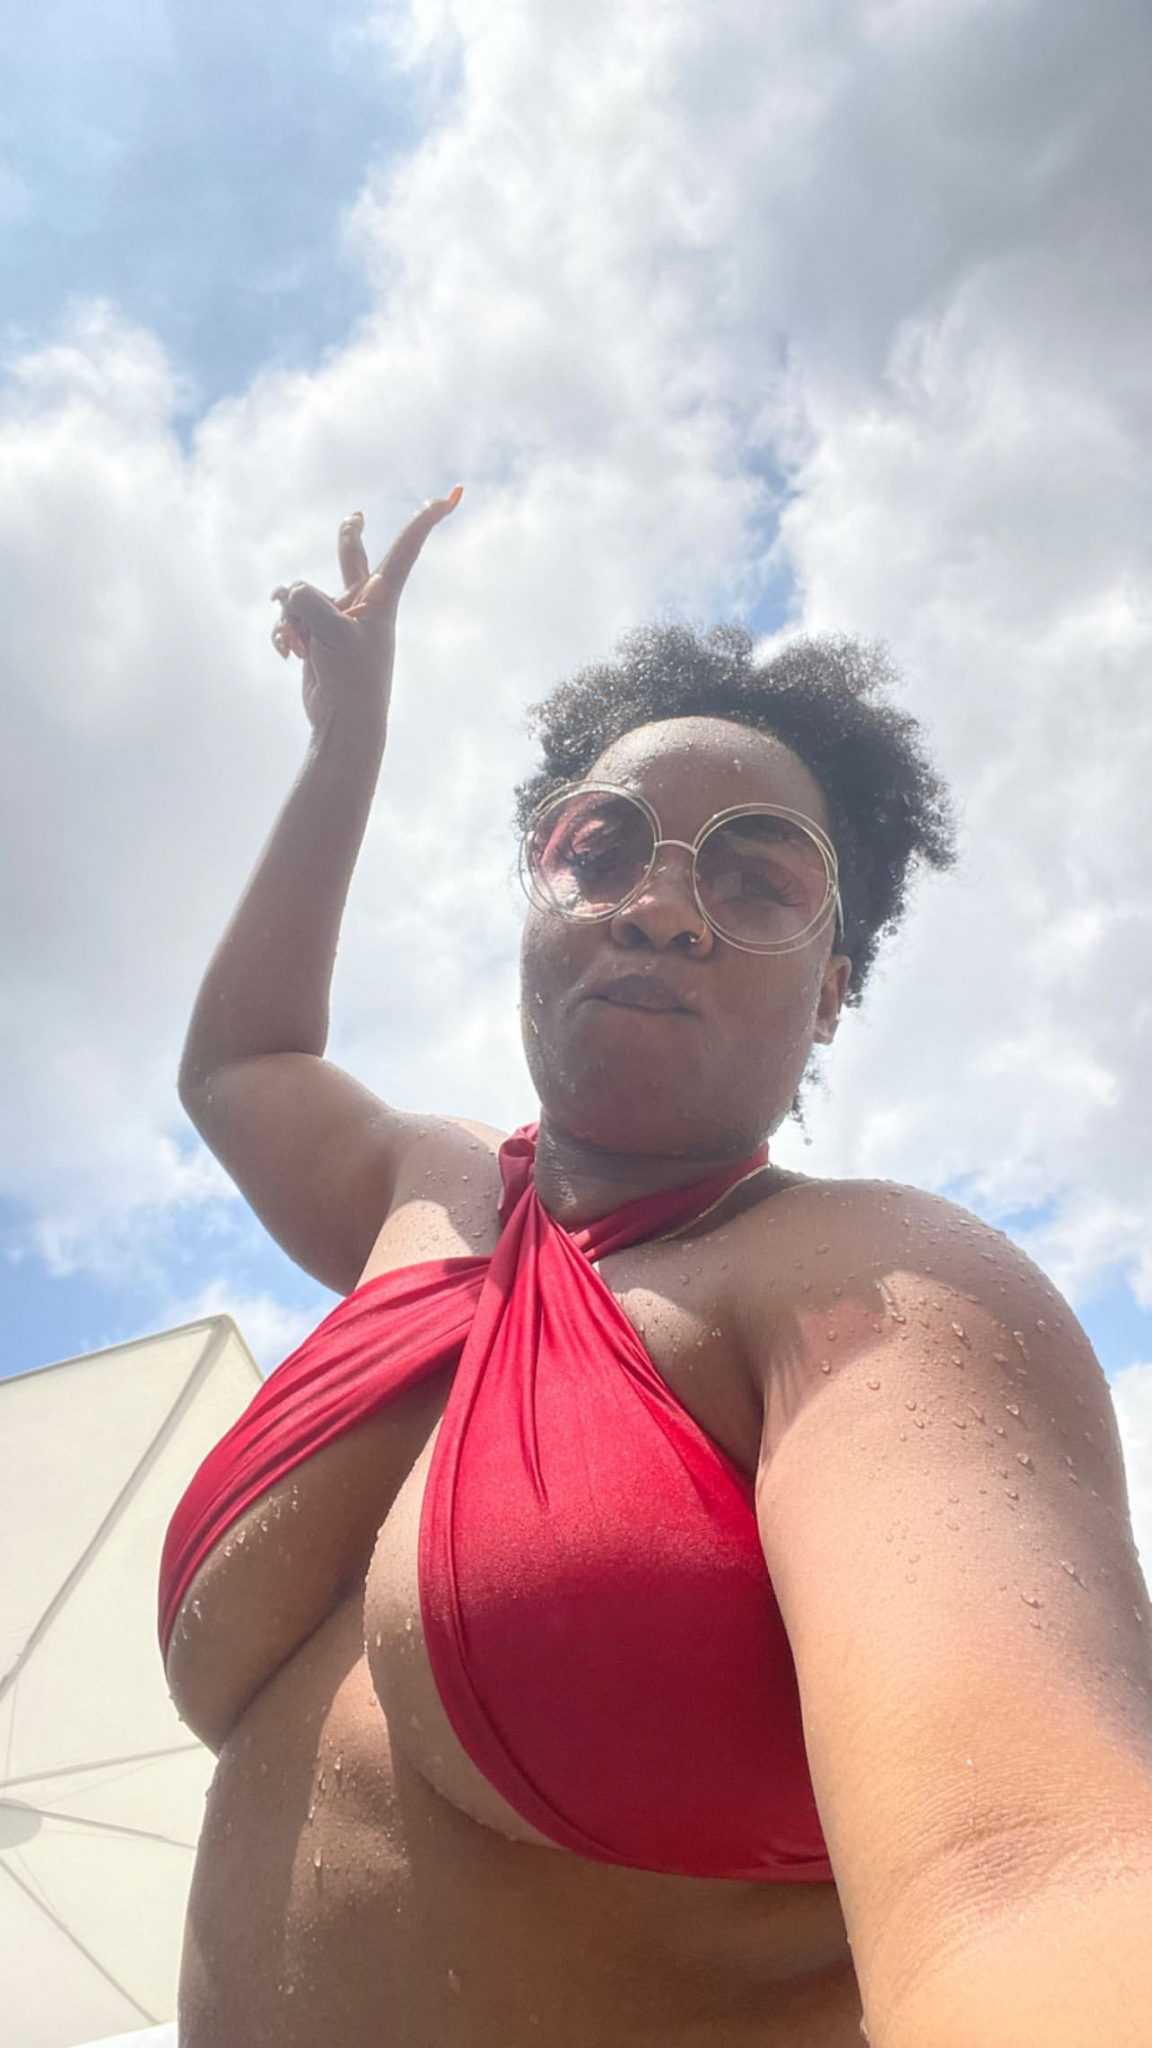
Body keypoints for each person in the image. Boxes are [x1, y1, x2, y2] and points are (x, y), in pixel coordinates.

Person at [163, 492, 1152, 2048]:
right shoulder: (432, 1193)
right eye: (600, 848)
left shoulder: (875, 1291)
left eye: (757, 878)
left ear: (831, 993)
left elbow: (1025, 1874)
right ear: (537, 902)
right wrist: (346, 743)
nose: (661, 907)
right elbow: (243, 1065)